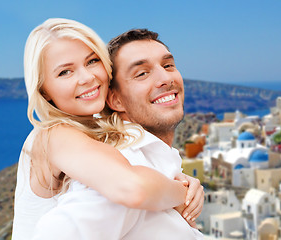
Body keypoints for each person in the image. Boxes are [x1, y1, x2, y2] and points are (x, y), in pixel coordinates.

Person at [13, 18, 203, 240]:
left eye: (92, 61)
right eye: (65, 72)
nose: (87, 77)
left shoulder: (99, 137)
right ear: (43, 90)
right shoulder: (54, 135)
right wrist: (183, 192)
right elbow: (132, 187)